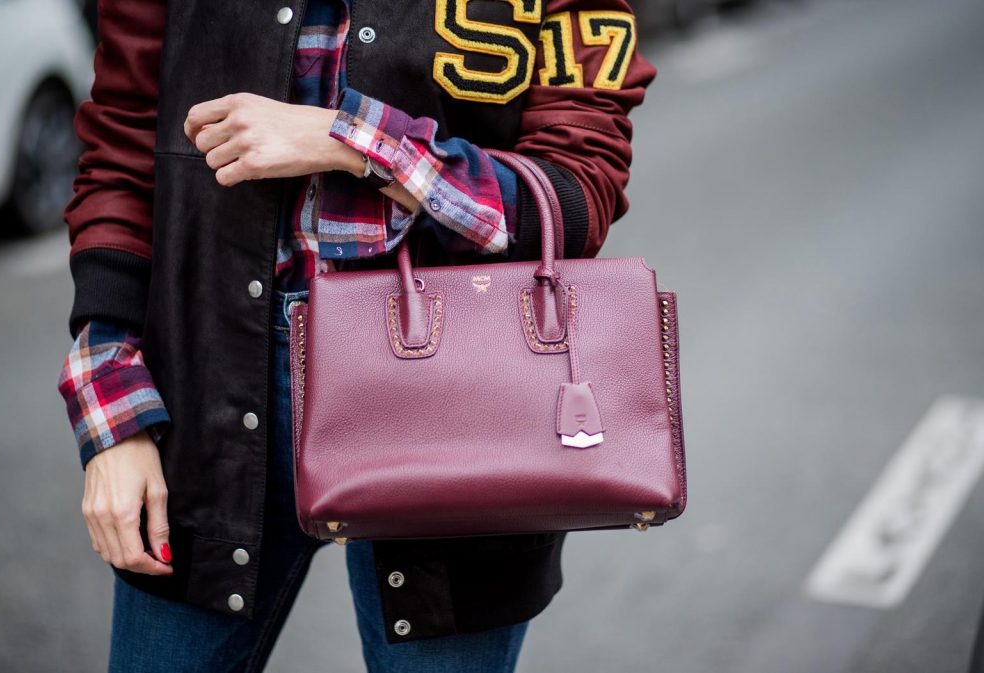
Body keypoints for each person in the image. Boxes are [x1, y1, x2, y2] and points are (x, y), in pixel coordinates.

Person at [56, 0, 656, 671]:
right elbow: (122, 155)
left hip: (460, 401)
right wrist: (110, 411)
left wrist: (354, 141)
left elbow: (575, 197)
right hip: (209, 386)